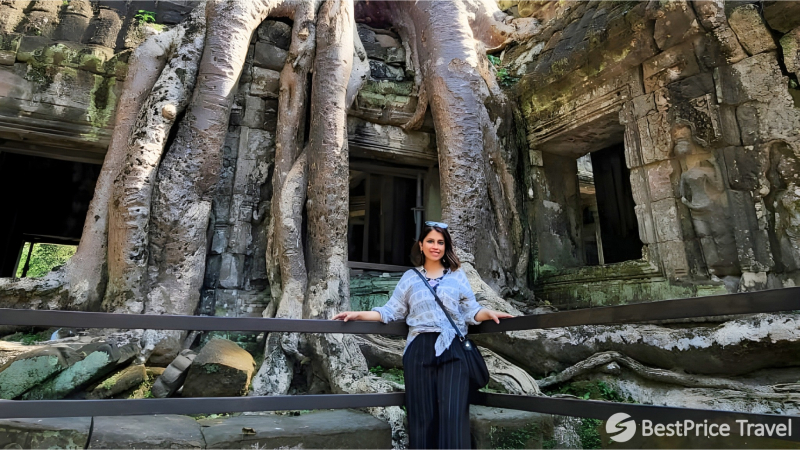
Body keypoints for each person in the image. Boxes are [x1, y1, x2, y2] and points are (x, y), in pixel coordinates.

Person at [333, 221, 513, 449]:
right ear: (421, 245)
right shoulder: (410, 277)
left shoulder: (457, 275)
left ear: (446, 246)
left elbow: (470, 308)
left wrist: (485, 313)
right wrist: (359, 314)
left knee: (454, 413)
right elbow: (392, 311)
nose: (435, 246)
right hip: (419, 348)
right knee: (422, 416)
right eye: (430, 241)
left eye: (440, 242)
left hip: (452, 348)